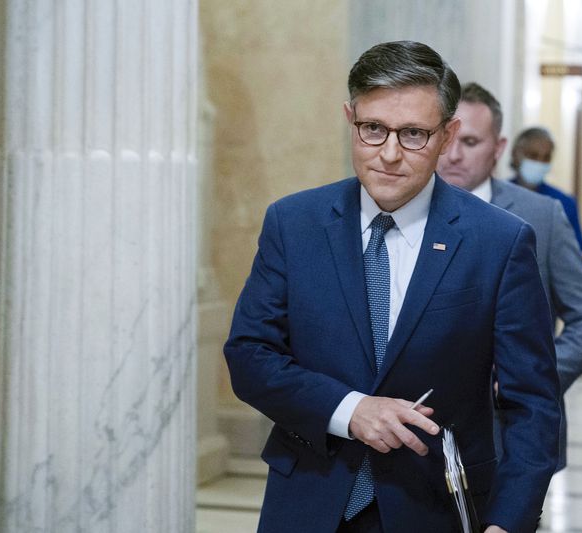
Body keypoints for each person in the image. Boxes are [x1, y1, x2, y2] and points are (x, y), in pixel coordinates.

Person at [224, 41, 561, 533]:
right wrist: (350, 409)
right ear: (350, 119)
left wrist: (508, 523)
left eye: (413, 135)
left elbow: (532, 403)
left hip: (436, 508)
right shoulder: (294, 224)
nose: (389, 154)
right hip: (309, 503)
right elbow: (251, 356)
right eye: (373, 129)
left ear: (448, 136)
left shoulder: (499, 242)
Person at [437, 82, 582, 472]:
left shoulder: (542, 216)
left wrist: (533, 378)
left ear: (498, 149)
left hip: (511, 436)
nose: (453, 155)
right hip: (417, 439)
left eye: (469, 141)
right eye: (444, 138)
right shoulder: (404, 210)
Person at [509, 127, 582, 252]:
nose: (540, 163)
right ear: (515, 154)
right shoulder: (496, 196)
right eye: (533, 155)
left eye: (546, 157)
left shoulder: (563, 203)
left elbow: (575, 255)